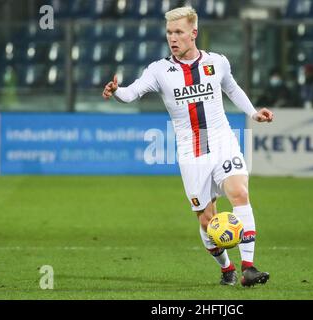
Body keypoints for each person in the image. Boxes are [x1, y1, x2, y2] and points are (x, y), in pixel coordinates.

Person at [102, 6, 273, 287]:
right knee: (208, 222)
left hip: (222, 140)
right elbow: (131, 93)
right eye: (169, 32)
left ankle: (249, 268)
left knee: (239, 192)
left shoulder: (217, 62)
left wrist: (253, 113)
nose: (173, 37)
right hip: (191, 151)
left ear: (193, 33)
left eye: (179, 32)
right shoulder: (159, 70)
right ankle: (226, 268)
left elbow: (232, 88)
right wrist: (116, 91)